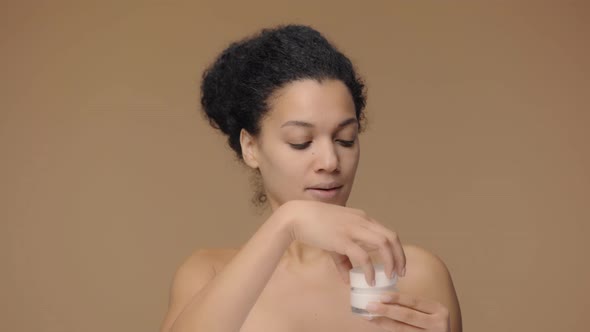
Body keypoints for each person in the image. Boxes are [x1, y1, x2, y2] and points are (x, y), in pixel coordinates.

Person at [159, 24, 462, 332]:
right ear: (250, 147)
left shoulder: (416, 275)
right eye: (301, 142)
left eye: (345, 139)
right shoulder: (207, 274)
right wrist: (287, 223)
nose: (330, 162)